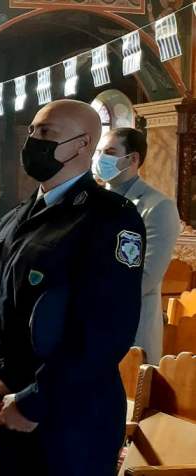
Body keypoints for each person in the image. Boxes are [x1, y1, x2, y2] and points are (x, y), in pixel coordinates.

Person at [0, 100, 145, 476]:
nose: (33, 140)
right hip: (10, 403)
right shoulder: (13, 217)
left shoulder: (110, 217)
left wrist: (35, 400)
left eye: (46, 132)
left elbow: (106, 331)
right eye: (32, 131)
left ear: (83, 144)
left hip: (70, 415)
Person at [94, 127, 180, 363]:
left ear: (132, 159)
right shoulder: (91, 202)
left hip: (129, 329)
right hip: (86, 328)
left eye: (109, 152)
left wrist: (87, 297)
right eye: (99, 152)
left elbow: (145, 277)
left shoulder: (158, 206)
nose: (100, 158)